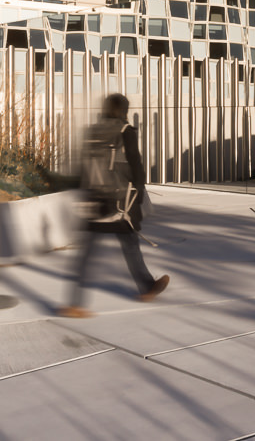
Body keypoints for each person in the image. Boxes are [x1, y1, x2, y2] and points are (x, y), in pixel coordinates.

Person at [57, 93, 170, 317]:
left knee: (87, 253)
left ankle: (73, 303)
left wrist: (84, 194)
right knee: (130, 245)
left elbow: (82, 166)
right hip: (119, 201)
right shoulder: (124, 130)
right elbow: (135, 163)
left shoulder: (93, 130)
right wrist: (138, 194)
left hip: (94, 200)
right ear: (124, 110)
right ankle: (147, 288)